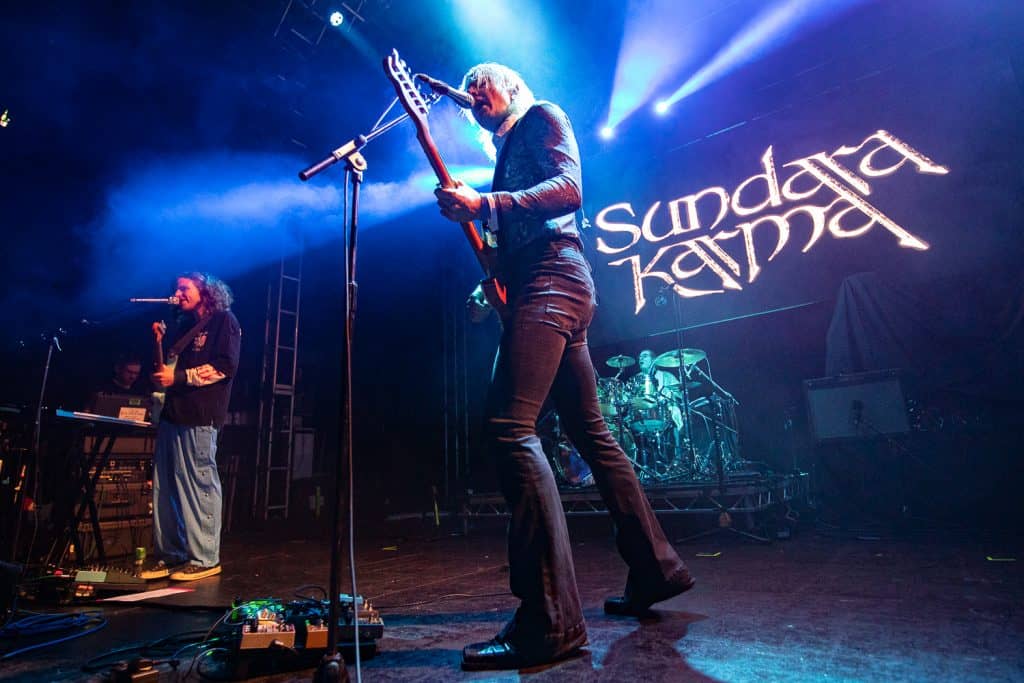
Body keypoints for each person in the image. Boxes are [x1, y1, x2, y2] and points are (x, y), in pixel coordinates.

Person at [435, 63, 693, 672]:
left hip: (553, 283)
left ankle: (550, 621)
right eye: (466, 86)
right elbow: (516, 234)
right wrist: (486, 256)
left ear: (511, 87)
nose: (471, 91)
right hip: (551, 284)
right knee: (591, 433)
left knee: (509, 429)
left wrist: (485, 202)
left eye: (481, 81)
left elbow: (569, 189)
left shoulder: (542, 115)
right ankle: (656, 569)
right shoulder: (507, 149)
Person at [139, 272, 240, 582]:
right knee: (166, 487)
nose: (178, 292)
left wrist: (179, 378)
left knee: (199, 484)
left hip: (200, 415)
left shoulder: (223, 320)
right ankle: (172, 553)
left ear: (205, 291)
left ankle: (205, 557)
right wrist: (158, 343)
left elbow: (224, 367)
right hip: (172, 414)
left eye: (185, 288)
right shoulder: (184, 326)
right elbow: (165, 375)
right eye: (177, 288)